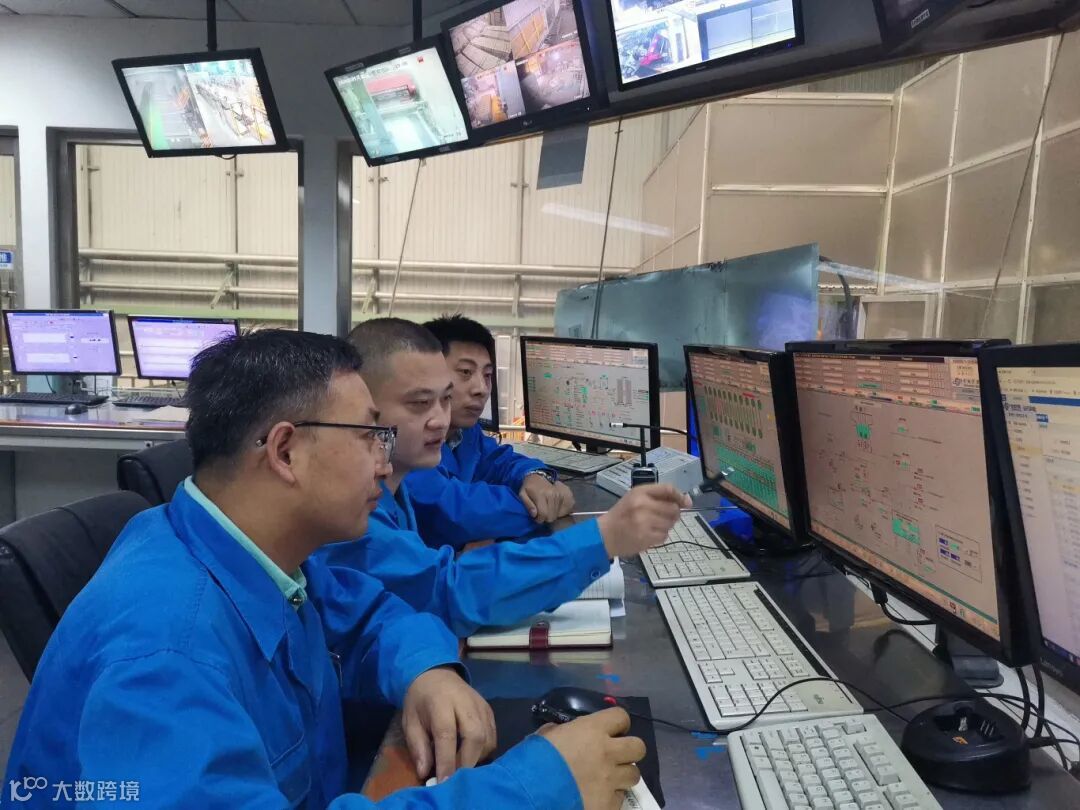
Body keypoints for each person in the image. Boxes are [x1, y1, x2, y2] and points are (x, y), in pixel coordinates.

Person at [3, 329, 644, 810]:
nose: (384, 463)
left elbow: (367, 614)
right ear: (285, 451)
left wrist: (426, 669)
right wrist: (535, 790)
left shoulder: (247, 548)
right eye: (369, 435)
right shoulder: (164, 656)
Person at [316, 318, 690, 638]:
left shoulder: (398, 480)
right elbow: (450, 589)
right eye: (420, 403)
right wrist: (604, 537)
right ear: (366, 408)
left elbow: (500, 461)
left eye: (445, 399)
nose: (440, 419)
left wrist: (535, 475)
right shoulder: (352, 513)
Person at [406, 314, 573, 550]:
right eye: (466, 372)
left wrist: (536, 476)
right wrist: (541, 506)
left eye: (487, 375)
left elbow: (500, 462)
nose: (482, 389)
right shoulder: (407, 439)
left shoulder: (465, 433)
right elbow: (452, 511)